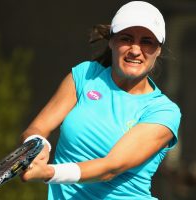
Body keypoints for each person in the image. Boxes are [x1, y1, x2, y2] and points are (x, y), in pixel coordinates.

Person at [20, 1, 181, 199]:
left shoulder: (163, 112)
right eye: (126, 38)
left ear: (158, 50)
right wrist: (37, 144)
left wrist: (49, 172)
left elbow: (110, 168)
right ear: (112, 41)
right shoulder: (84, 75)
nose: (135, 50)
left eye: (147, 41)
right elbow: (38, 128)